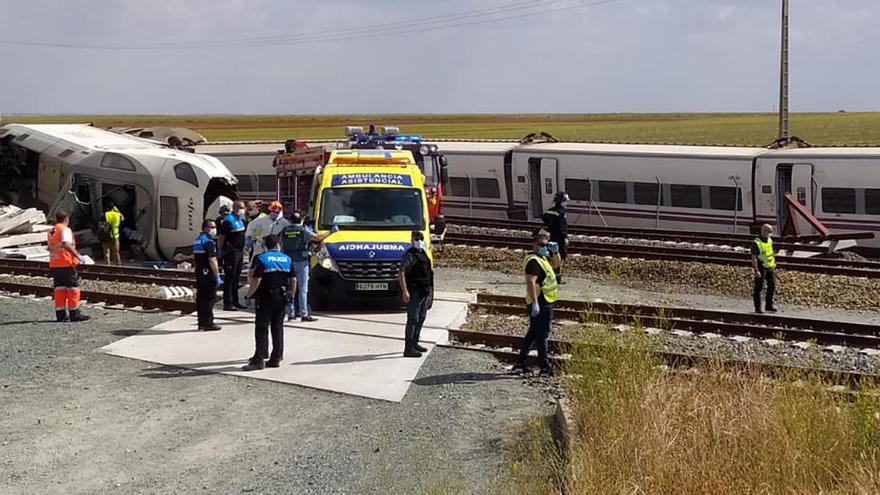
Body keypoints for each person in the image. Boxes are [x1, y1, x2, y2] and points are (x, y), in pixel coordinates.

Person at [242, 235, 296, 371]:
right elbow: (294, 280)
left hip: (266, 297)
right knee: (277, 326)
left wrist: (249, 294)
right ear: (279, 245)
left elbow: (257, 279)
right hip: (282, 296)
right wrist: (292, 296)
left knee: (261, 327)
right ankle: (276, 357)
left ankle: (259, 359)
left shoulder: (261, 258)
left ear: (265, 245)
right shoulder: (287, 259)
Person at [514, 228, 558, 376]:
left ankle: (520, 363)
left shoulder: (543, 258)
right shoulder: (534, 261)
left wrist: (556, 252)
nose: (546, 247)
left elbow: (557, 267)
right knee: (542, 334)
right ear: (535, 243)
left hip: (545, 300)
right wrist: (535, 303)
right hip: (541, 301)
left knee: (533, 332)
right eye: (543, 244)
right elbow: (531, 282)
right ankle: (545, 367)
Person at [280, 210, 335, 322]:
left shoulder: (284, 231)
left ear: (290, 220)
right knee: (303, 289)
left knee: (290, 288)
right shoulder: (303, 231)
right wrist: (331, 232)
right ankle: (304, 314)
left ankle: (291, 313)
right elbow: (318, 238)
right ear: (302, 220)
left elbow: (279, 244)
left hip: (288, 262)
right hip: (302, 261)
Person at [47, 211, 90, 322]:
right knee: (72, 289)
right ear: (67, 219)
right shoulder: (65, 230)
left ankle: (60, 315)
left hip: (55, 264)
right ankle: (74, 314)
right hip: (66, 263)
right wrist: (78, 256)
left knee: (59, 289)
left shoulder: (52, 230)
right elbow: (66, 244)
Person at [398, 231, 434, 358]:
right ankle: (408, 348)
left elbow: (428, 272)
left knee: (421, 316)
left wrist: (430, 290)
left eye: (421, 238)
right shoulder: (410, 255)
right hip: (415, 291)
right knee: (413, 319)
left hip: (424, 291)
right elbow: (401, 272)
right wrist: (405, 291)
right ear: (412, 240)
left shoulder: (423, 253)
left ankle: (415, 342)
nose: (419, 240)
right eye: (417, 238)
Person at [193, 219, 222, 331]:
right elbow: (212, 260)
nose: (214, 229)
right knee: (209, 298)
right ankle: (208, 322)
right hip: (208, 273)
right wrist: (217, 275)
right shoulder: (208, 242)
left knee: (201, 298)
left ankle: (201, 322)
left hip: (200, 272)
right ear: (205, 228)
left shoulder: (197, 240)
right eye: (212, 227)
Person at [218, 200, 247, 311]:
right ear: (234, 208)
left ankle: (235, 301)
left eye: (243, 207)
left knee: (236, 277)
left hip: (239, 251)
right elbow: (222, 236)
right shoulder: (228, 220)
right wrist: (221, 250)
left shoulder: (239, 220)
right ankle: (228, 303)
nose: (242, 210)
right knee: (230, 277)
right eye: (240, 207)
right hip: (231, 251)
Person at [542, 191, 570, 284]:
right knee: (559, 257)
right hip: (559, 238)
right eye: (565, 200)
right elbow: (563, 227)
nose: (566, 203)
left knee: (551, 256)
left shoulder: (550, 210)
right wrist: (565, 237)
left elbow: (544, 217)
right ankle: (557, 278)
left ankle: (550, 275)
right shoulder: (561, 212)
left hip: (551, 236)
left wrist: (551, 226)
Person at [751, 223, 778, 314]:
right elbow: (754, 257)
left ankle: (768, 306)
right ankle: (757, 308)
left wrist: (774, 263)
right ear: (764, 231)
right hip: (761, 267)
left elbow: (771, 252)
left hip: (770, 267)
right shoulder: (757, 242)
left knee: (772, 285)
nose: (771, 233)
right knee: (759, 288)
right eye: (770, 231)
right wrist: (756, 270)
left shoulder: (769, 240)